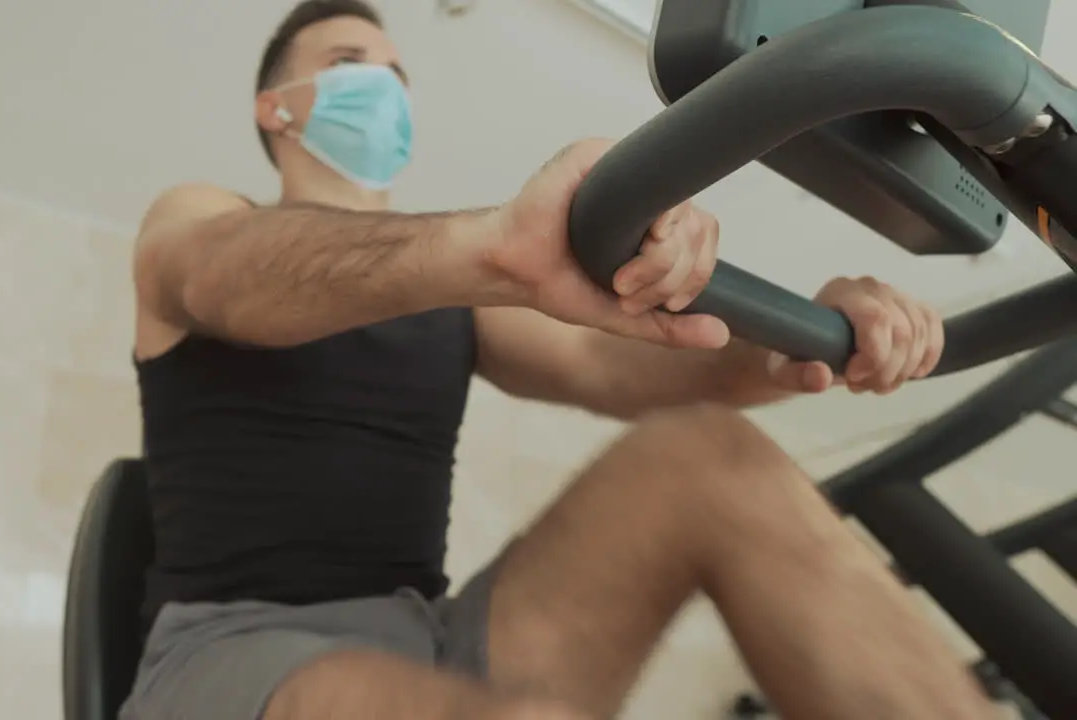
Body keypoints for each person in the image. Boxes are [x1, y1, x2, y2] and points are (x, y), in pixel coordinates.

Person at [121, 2, 997, 719]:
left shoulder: (452, 296)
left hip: (433, 634)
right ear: (276, 107)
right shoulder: (199, 217)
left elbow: (614, 370)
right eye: (354, 63)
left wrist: (800, 338)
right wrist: (491, 247)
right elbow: (224, 275)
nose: (383, 89)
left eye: (397, 77)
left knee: (705, 459)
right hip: (230, 656)